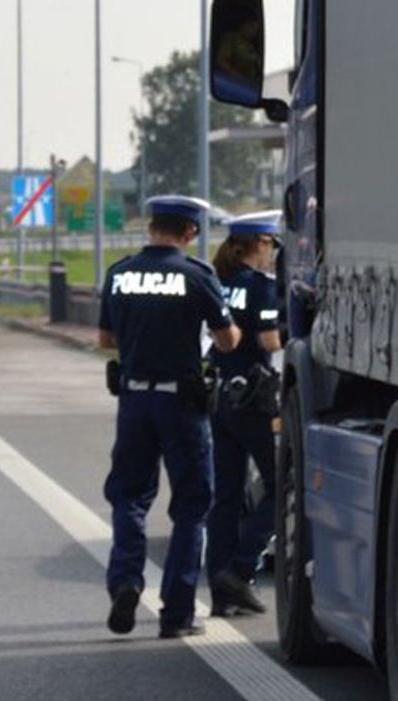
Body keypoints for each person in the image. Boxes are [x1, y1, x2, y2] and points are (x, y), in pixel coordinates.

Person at [98, 195, 242, 639]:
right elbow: (227, 342)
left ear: (151, 226)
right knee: (192, 506)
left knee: (130, 498)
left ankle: (125, 582)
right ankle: (176, 613)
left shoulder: (119, 274)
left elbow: (105, 339)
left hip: (134, 400)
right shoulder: (196, 276)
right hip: (182, 405)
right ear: (192, 232)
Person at [205, 211, 284, 616]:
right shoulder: (260, 287)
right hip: (254, 402)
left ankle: (220, 589)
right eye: (272, 244)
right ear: (260, 244)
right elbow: (269, 342)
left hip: (221, 399)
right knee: (280, 485)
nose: (273, 254)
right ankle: (240, 568)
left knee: (227, 496)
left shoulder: (220, 284)